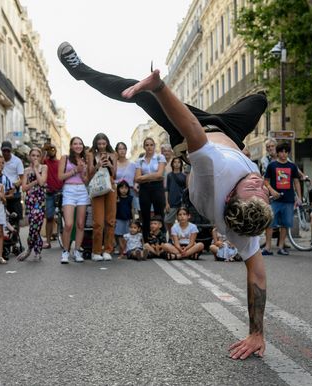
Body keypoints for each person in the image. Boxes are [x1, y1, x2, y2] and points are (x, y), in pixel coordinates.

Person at [59, 42, 271, 359]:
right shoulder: (246, 224)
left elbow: (193, 129)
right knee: (260, 98)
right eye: (263, 190)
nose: (257, 182)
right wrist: (256, 333)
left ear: (231, 198)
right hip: (231, 130)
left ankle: (81, 72)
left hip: (194, 132)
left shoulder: (216, 173)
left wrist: (161, 88)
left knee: (142, 95)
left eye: (251, 189)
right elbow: (257, 274)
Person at [263, 142, 301, 256]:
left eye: (286, 152)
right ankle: (268, 247)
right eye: (281, 152)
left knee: (285, 224)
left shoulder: (292, 166)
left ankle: (281, 246)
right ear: (277, 153)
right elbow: (265, 181)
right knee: (270, 223)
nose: (283, 154)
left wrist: (298, 196)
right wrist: (271, 190)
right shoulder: (272, 165)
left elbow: (296, 181)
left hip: (289, 199)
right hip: (275, 199)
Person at [58, 136, 89, 263]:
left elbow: (86, 180)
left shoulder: (85, 159)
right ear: (71, 146)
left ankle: (77, 251)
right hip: (69, 190)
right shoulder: (65, 158)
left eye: (80, 144)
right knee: (69, 224)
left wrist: (82, 172)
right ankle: (65, 251)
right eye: (75, 144)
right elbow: (60, 177)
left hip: (82, 190)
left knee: (81, 224)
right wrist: (75, 170)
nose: (78, 146)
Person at [87, 133, 117, 261]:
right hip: (97, 185)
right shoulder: (91, 155)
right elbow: (89, 173)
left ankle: (108, 250)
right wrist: (97, 165)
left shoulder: (113, 155)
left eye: (103, 144)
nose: (101, 146)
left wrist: (110, 165)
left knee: (110, 220)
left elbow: (115, 174)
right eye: (99, 144)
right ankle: (96, 251)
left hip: (110, 185)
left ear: (107, 143)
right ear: (96, 144)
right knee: (98, 222)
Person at [17, 148, 48, 262]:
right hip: (30, 200)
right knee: (33, 226)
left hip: (40, 200)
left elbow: (42, 182)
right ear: (29, 157)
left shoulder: (44, 167)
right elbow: (24, 188)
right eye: (33, 155)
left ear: (40, 157)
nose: (35, 157)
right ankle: (37, 251)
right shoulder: (26, 170)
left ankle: (29, 248)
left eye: (37, 156)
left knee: (36, 226)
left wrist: (35, 169)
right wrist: (34, 182)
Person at [135, 137, 166, 241]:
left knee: (159, 214)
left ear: (154, 146)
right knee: (145, 215)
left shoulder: (160, 157)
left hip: (157, 187)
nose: (149, 147)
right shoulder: (139, 160)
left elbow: (160, 174)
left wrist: (144, 177)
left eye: (151, 144)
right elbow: (137, 178)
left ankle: (161, 241)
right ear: (144, 147)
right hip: (144, 189)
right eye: (147, 145)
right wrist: (153, 175)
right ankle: (147, 241)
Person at [42, 143, 63, 248]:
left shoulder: (60, 162)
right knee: (49, 217)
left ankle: (65, 240)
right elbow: (39, 161)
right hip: (49, 192)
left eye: (53, 149)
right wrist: (44, 150)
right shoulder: (45, 162)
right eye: (49, 149)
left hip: (61, 191)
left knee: (64, 216)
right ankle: (48, 241)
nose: (51, 150)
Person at [1, 141, 24, 225]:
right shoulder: (0, 160)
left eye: (8, 151)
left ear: (11, 151)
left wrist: (14, 186)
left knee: (15, 218)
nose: (6, 153)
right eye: (4, 151)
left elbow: (22, 178)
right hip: (1, 193)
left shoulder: (17, 161)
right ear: (1, 150)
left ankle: (15, 235)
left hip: (14, 194)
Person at [164, 157, 186, 234]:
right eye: (175, 162)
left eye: (178, 162)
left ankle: (181, 236)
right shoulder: (169, 175)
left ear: (181, 164)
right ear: (172, 164)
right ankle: (171, 235)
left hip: (181, 201)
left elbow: (186, 189)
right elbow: (167, 189)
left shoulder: (184, 176)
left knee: (183, 220)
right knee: (167, 220)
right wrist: (167, 203)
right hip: (171, 201)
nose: (176, 164)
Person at [115, 180, 133, 258]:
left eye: (126, 188)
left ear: (128, 189)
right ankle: (121, 249)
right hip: (118, 218)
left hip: (127, 219)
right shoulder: (117, 198)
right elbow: (114, 209)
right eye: (121, 188)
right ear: (118, 189)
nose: (124, 190)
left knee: (126, 235)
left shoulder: (130, 198)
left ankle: (125, 249)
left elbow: (132, 209)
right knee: (119, 234)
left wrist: (133, 219)